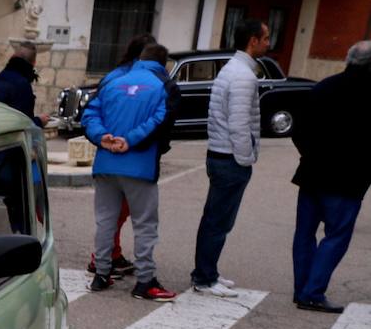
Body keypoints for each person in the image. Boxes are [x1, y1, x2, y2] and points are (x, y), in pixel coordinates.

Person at [81, 43, 177, 302]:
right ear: (162, 63)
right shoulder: (163, 85)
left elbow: (89, 113)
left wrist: (103, 138)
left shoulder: (114, 80)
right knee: (145, 225)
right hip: (140, 167)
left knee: (105, 221)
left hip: (105, 163)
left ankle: (101, 275)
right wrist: (130, 140)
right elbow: (161, 120)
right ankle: (145, 281)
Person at [190, 18, 271, 297]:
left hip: (222, 155)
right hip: (229, 159)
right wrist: (246, 158)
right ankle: (204, 278)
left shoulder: (233, 69)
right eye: (265, 38)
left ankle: (207, 272)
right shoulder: (243, 76)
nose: (268, 43)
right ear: (253, 41)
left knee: (217, 219)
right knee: (218, 221)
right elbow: (238, 124)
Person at [289, 39, 371, 313]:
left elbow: (298, 130)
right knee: (336, 236)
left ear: (348, 60)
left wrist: (309, 155)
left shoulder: (323, 87)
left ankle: (302, 289)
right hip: (348, 180)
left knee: (305, 234)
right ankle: (312, 292)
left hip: (312, 173)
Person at [0, 41, 41, 233]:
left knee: (7, 199)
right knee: (20, 202)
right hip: (13, 154)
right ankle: (20, 239)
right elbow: (22, 121)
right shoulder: (22, 84)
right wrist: (40, 121)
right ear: (33, 63)